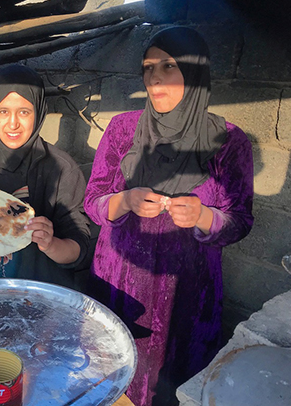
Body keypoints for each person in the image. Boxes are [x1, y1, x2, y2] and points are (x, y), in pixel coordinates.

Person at [84, 26, 254, 406]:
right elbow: (93, 200)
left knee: (173, 389)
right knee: (109, 379)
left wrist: (204, 216)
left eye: (169, 66)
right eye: (147, 67)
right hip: (118, 284)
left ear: (196, 73)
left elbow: (240, 220)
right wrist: (124, 200)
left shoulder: (228, 141)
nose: (154, 77)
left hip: (186, 297)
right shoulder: (122, 129)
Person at [0, 64, 91, 288]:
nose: (13, 123)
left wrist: (51, 244)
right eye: (3, 111)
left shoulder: (62, 169)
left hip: (39, 296)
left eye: (24, 112)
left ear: (39, 112)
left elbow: (78, 247)